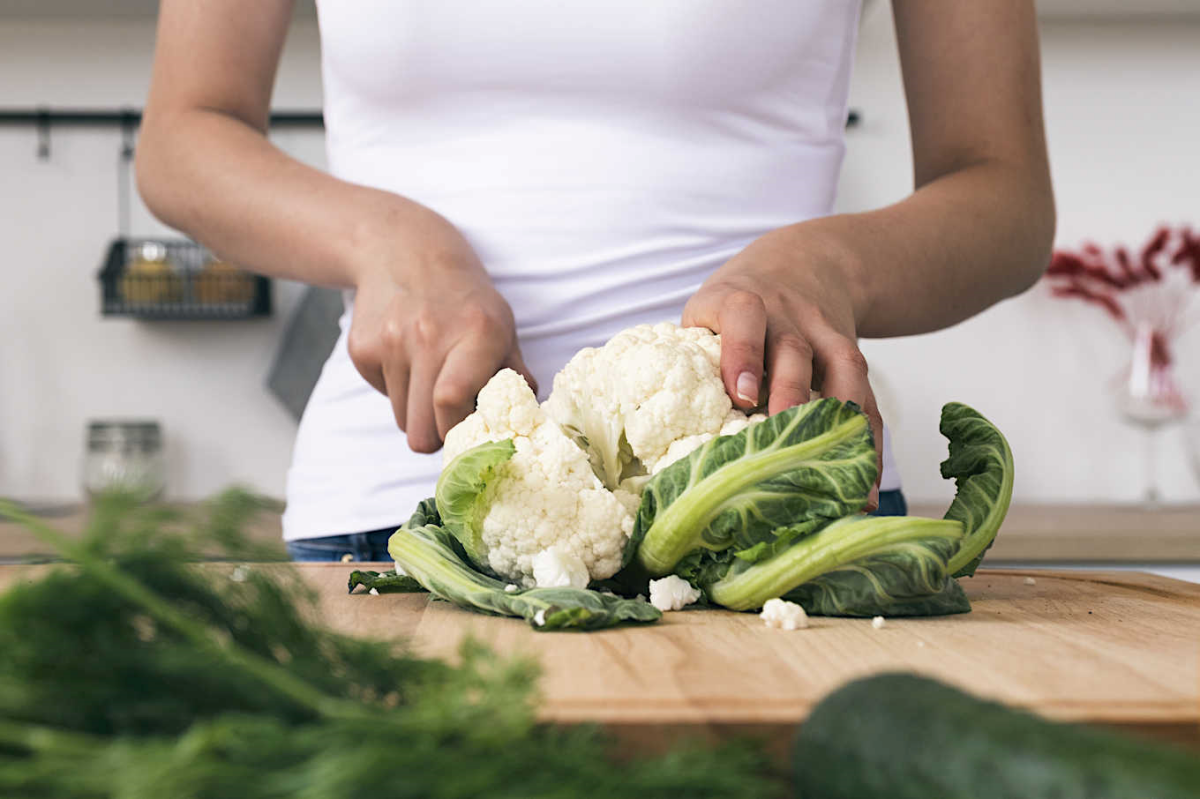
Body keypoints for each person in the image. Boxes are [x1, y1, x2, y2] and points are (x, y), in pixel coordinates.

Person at [136, 1, 1054, 562]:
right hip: (393, 516)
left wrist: (822, 266)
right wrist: (388, 242)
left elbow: (1003, 193)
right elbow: (183, 135)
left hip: (773, 512)